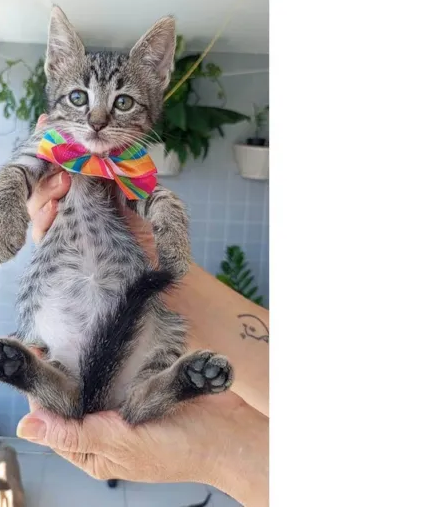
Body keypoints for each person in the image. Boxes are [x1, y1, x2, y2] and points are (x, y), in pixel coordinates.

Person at [14, 117, 269, 506]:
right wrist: (141, 250)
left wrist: (219, 452)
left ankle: (38, 376)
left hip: (100, 370)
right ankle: (49, 377)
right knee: (115, 376)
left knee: (79, 387)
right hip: (118, 351)